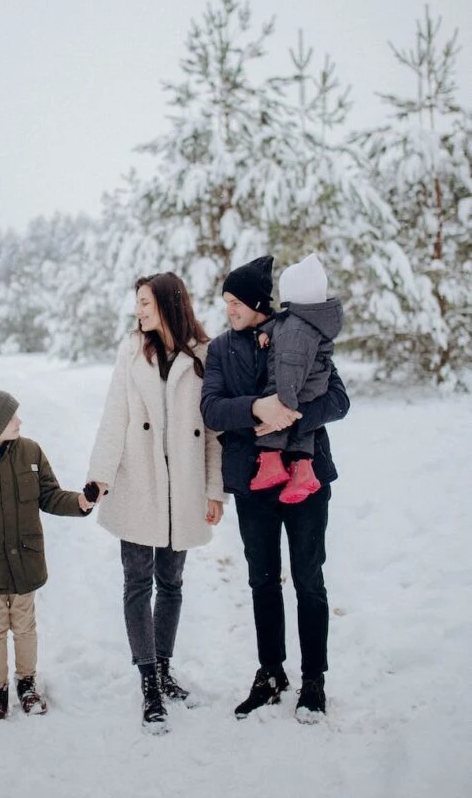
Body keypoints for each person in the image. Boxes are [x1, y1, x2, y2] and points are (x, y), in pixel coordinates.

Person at [200, 255, 350, 723]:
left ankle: (314, 680)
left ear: (258, 302)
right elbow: (212, 410)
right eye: (225, 302)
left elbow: (339, 400)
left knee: (309, 580)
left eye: (235, 302)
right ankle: (270, 673)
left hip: (307, 481)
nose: (229, 310)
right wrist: (260, 409)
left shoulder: (302, 329)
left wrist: (294, 414)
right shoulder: (221, 349)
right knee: (262, 580)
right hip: (255, 482)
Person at [86, 272, 225, 733]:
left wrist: (213, 489)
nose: (138, 311)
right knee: (136, 584)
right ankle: (148, 680)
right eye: (137, 303)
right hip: (138, 483)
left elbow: (212, 434)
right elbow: (114, 417)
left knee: (172, 582)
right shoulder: (131, 351)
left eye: (144, 303)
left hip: (182, 488)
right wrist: (99, 478)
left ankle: (164, 668)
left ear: (166, 304)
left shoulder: (202, 356)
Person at [0, 385, 94, 725]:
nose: (19, 420)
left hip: (25, 558)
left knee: (24, 626)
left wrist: (81, 503)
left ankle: (27, 683)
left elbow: (51, 496)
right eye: (11, 417)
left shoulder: (30, 452)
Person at [251, 253, 344, 504]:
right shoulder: (304, 320)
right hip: (312, 382)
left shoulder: (296, 330)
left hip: (296, 384)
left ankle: (274, 463)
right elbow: (284, 323)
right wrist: (267, 330)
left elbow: (289, 365)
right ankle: (301, 469)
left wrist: (284, 407)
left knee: (279, 410)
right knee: (304, 429)